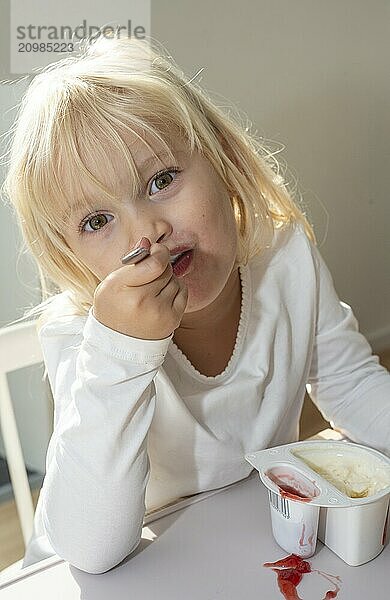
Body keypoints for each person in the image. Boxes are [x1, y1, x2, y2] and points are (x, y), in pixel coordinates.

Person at [2, 35, 389, 575]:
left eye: (161, 180)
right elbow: (89, 549)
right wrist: (120, 352)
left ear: (222, 161)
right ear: (70, 255)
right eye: (97, 221)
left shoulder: (286, 261)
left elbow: (350, 382)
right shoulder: (84, 338)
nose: (147, 232)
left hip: (246, 540)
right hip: (122, 563)